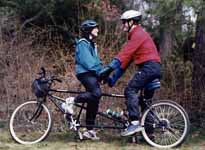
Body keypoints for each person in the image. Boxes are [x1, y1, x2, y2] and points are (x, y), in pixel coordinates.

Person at [99, 10, 161, 136]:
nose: (123, 26)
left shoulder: (138, 34)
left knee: (130, 90)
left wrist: (109, 68)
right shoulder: (137, 36)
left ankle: (134, 124)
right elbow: (125, 62)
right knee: (145, 102)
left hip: (148, 68)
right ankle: (149, 134)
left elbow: (124, 53)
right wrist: (112, 79)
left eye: (124, 23)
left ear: (131, 22)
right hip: (154, 68)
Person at [64, 19, 103, 140]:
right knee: (96, 93)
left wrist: (104, 72)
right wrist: (101, 72)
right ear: (88, 30)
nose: (97, 29)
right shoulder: (83, 43)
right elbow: (89, 63)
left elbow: (96, 62)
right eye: (95, 27)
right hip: (85, 73)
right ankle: (71, 101)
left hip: (92, 74)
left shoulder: (92, 44)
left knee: (94, 100)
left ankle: (89, 130)